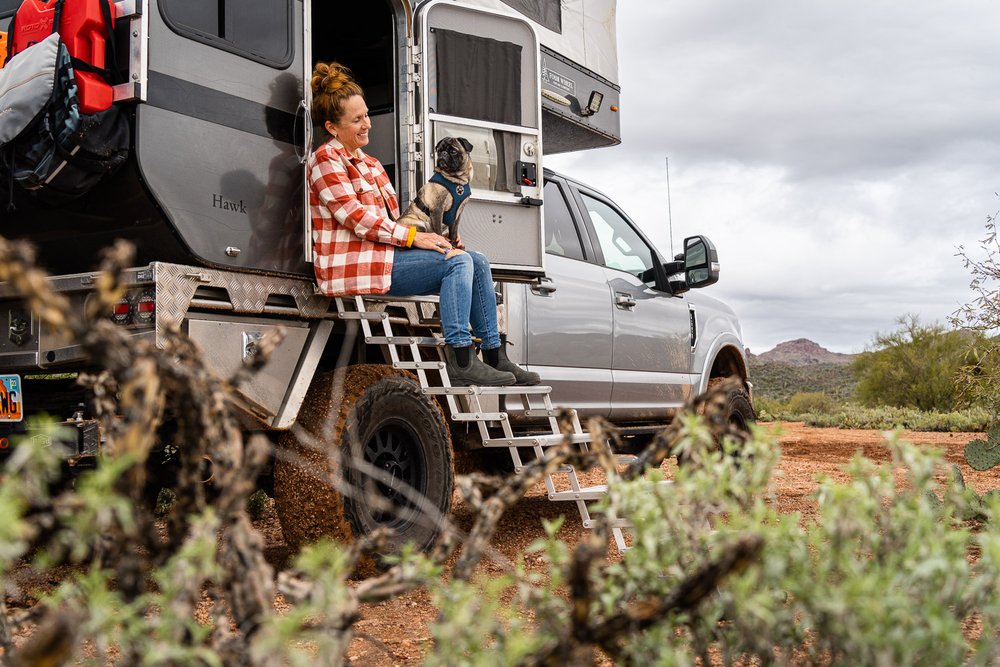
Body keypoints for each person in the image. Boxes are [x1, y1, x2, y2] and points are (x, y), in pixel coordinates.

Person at [308, 62, 539, 387]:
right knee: (457, 264)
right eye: (357, 120)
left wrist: (435, 238)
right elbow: (356, 218)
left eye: (367, 115)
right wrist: (416, 238)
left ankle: (494, 355)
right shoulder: (325, 160)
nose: (367, 125)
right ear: (333, 127)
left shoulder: (371, 164)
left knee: (476, 260)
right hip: (355, 268)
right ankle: (460, 358)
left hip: (384, 260)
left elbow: (392, 223)